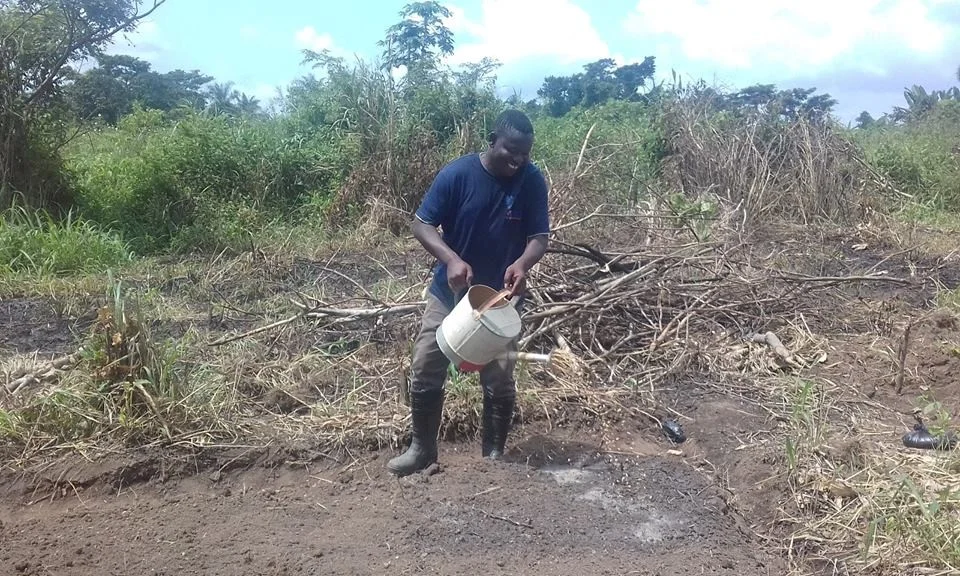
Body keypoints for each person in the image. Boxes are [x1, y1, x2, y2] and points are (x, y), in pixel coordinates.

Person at [387, 109, 550, 477]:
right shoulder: (458, 174)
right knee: (427, 363)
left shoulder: (531, 181)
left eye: (525, 153)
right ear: (492, 140)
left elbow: (539, 237)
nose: (518, 159)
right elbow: (422, 224)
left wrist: (523, 265)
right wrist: (451, 259)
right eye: (511, 150)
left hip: (499, 301)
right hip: (450, 293)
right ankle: (422, 450)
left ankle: (494, 457)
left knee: (499, 376)